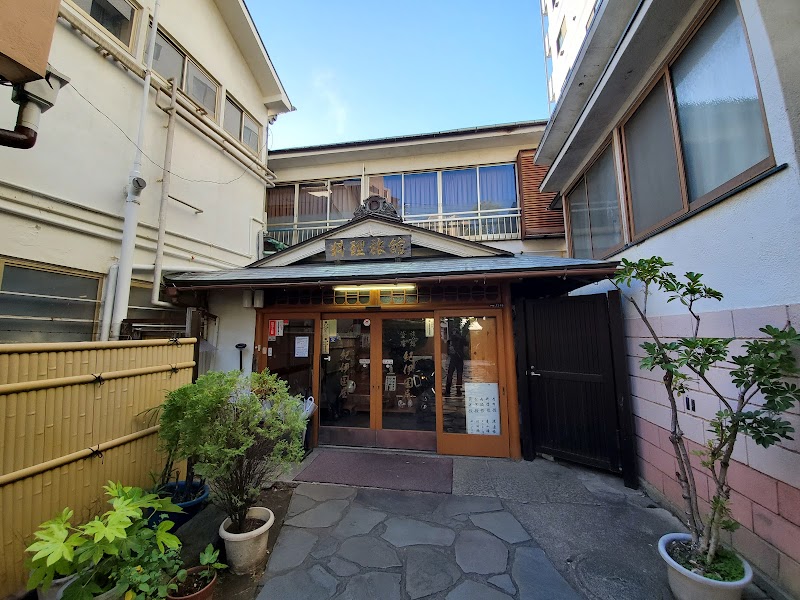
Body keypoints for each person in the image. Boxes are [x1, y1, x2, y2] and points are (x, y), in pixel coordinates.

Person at [445, 330, 467, 396]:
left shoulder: (451, 340)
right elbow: (466, 346)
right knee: (459, 374)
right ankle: (458, 390)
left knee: (450, 374)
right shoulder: (461, 339)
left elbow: (448, 350)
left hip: (453, 358)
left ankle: (448, 390)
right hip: (459, 358)